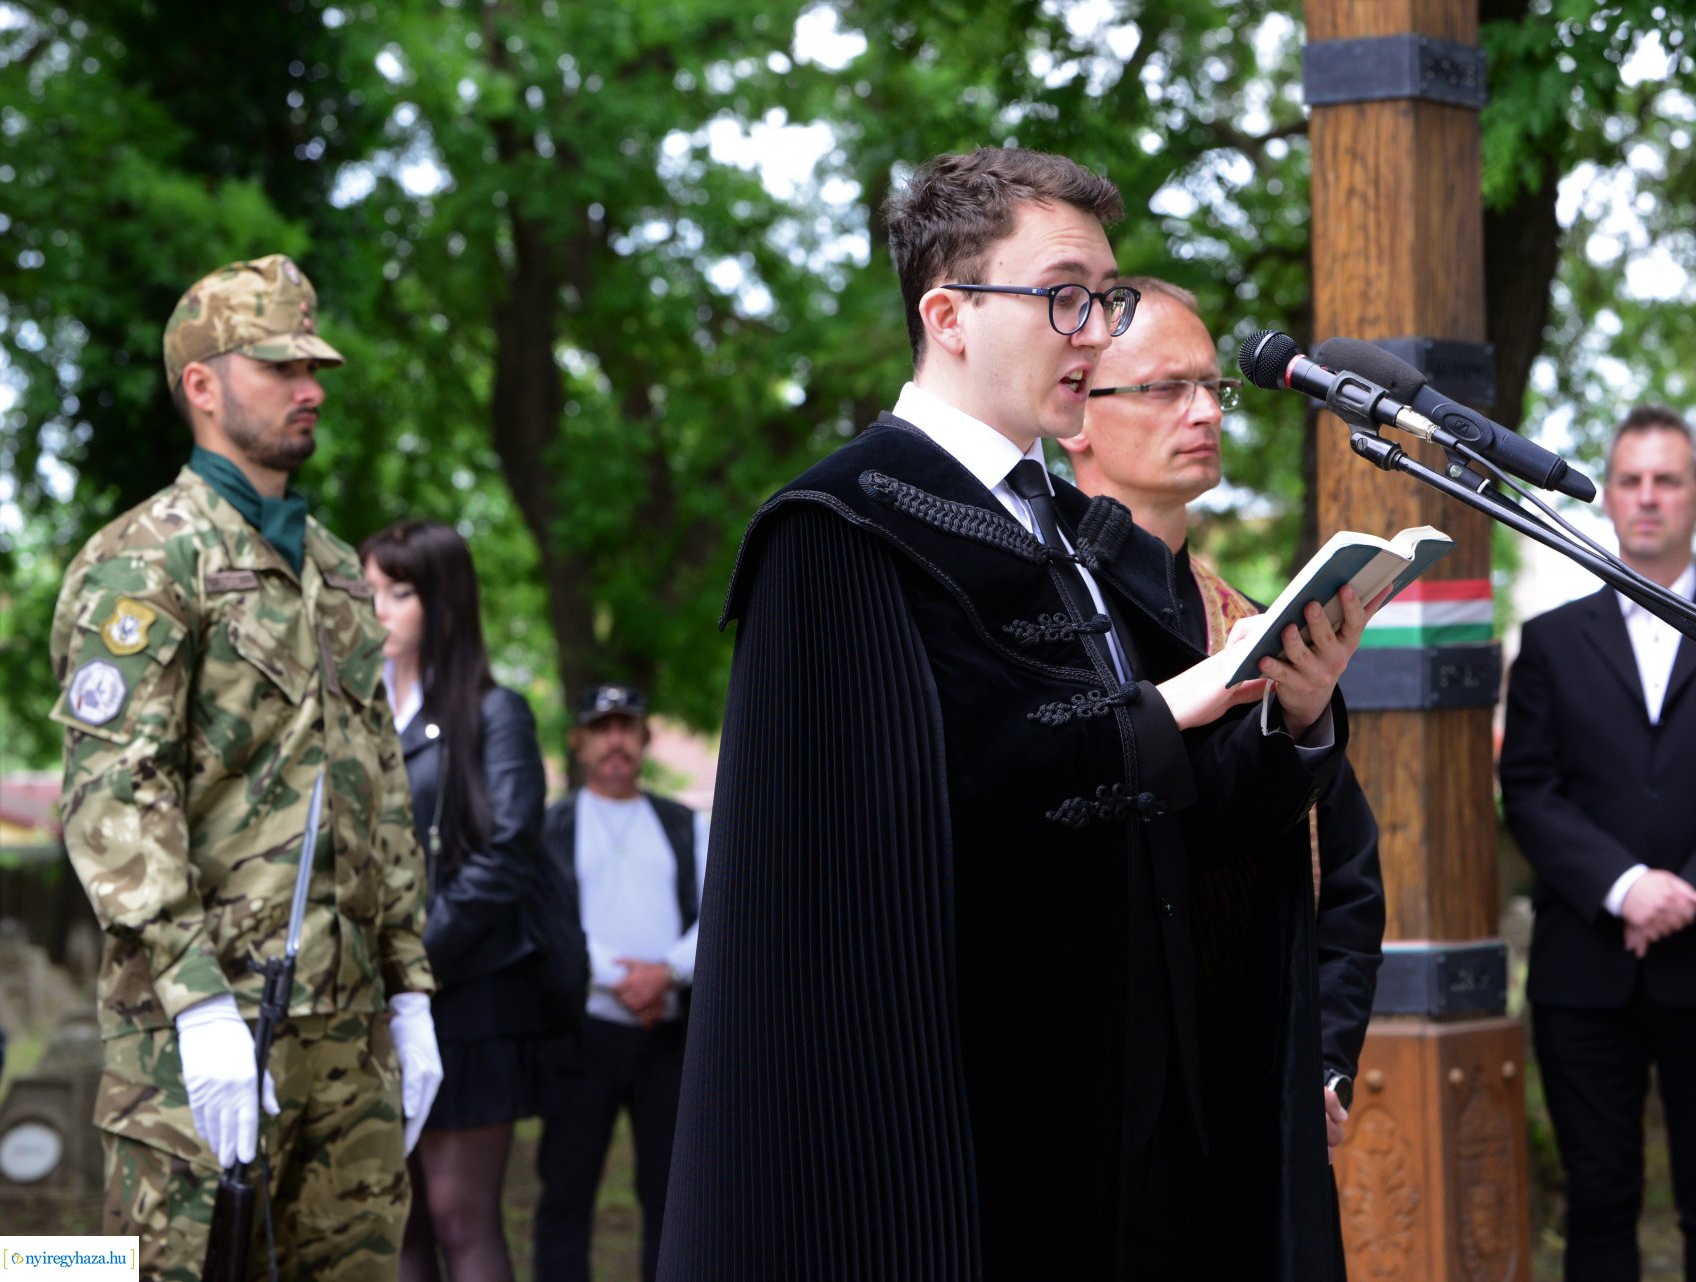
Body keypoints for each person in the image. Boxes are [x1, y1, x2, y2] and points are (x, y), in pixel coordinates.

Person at [660, 147, 1378, 1281]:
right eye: (1063, 297)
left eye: (1102, 297)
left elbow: (1162, 806)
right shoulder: (839, 531)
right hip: (970, 1136)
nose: (1094, 330)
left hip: (1139, 1126)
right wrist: (1165, 705)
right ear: (948, 313)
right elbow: (915, 820)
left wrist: (1293, 715)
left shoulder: (1064, 526)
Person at [50, 254, 442, 1279]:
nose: (310, 387)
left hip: (350, 1035)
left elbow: (381, 795)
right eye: (278, 365)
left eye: (315, 366)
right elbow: (115, 804)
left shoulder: (337, 574)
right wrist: (198, 1001)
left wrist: (411, 990)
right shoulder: (145, 561)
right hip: (204, 1038)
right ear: (203, 383)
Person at [1063, 276, 1386, 1205]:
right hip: (1113, 1102)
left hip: (1262, 1091)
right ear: (1074, 415)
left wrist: (1321, 1062)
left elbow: (1349, 876)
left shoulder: (1249, 621)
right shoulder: (1052, 618)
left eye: (1215, 387)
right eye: (1167, 388)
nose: (1205, 411)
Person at [1499, 405, 1696, 1282]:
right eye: (1631, 481)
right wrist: (1626, 885)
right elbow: (1528, 789)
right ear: (1609, 498)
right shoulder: (1552, 642)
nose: (1647, 498)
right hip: (1585, 970)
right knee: (1598, 1203)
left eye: (1667, 481)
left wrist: (1691, 891)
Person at [361, 519, 547, 1282]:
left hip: (467, 1002)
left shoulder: (495, 714)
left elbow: (506, 860)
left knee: (459, 1216)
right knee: (392, 1222)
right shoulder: (358, 717)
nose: (376, 610)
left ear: (441, 602)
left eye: (397, 593)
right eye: (368, 590)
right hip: (375, 1003)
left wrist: (411, 963)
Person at [533, 685, 706, 1282]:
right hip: (583, 1033)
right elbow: (548, 922)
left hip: (667, 1031)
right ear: (579, 741)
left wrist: (668, 973)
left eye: (626, 727)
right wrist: (619, 979)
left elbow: (720, 911)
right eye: (602, 728)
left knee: (674, 1195)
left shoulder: (683, 823)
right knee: (566, 1191)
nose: (615, 740)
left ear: (645, 739)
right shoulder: (552, 826)